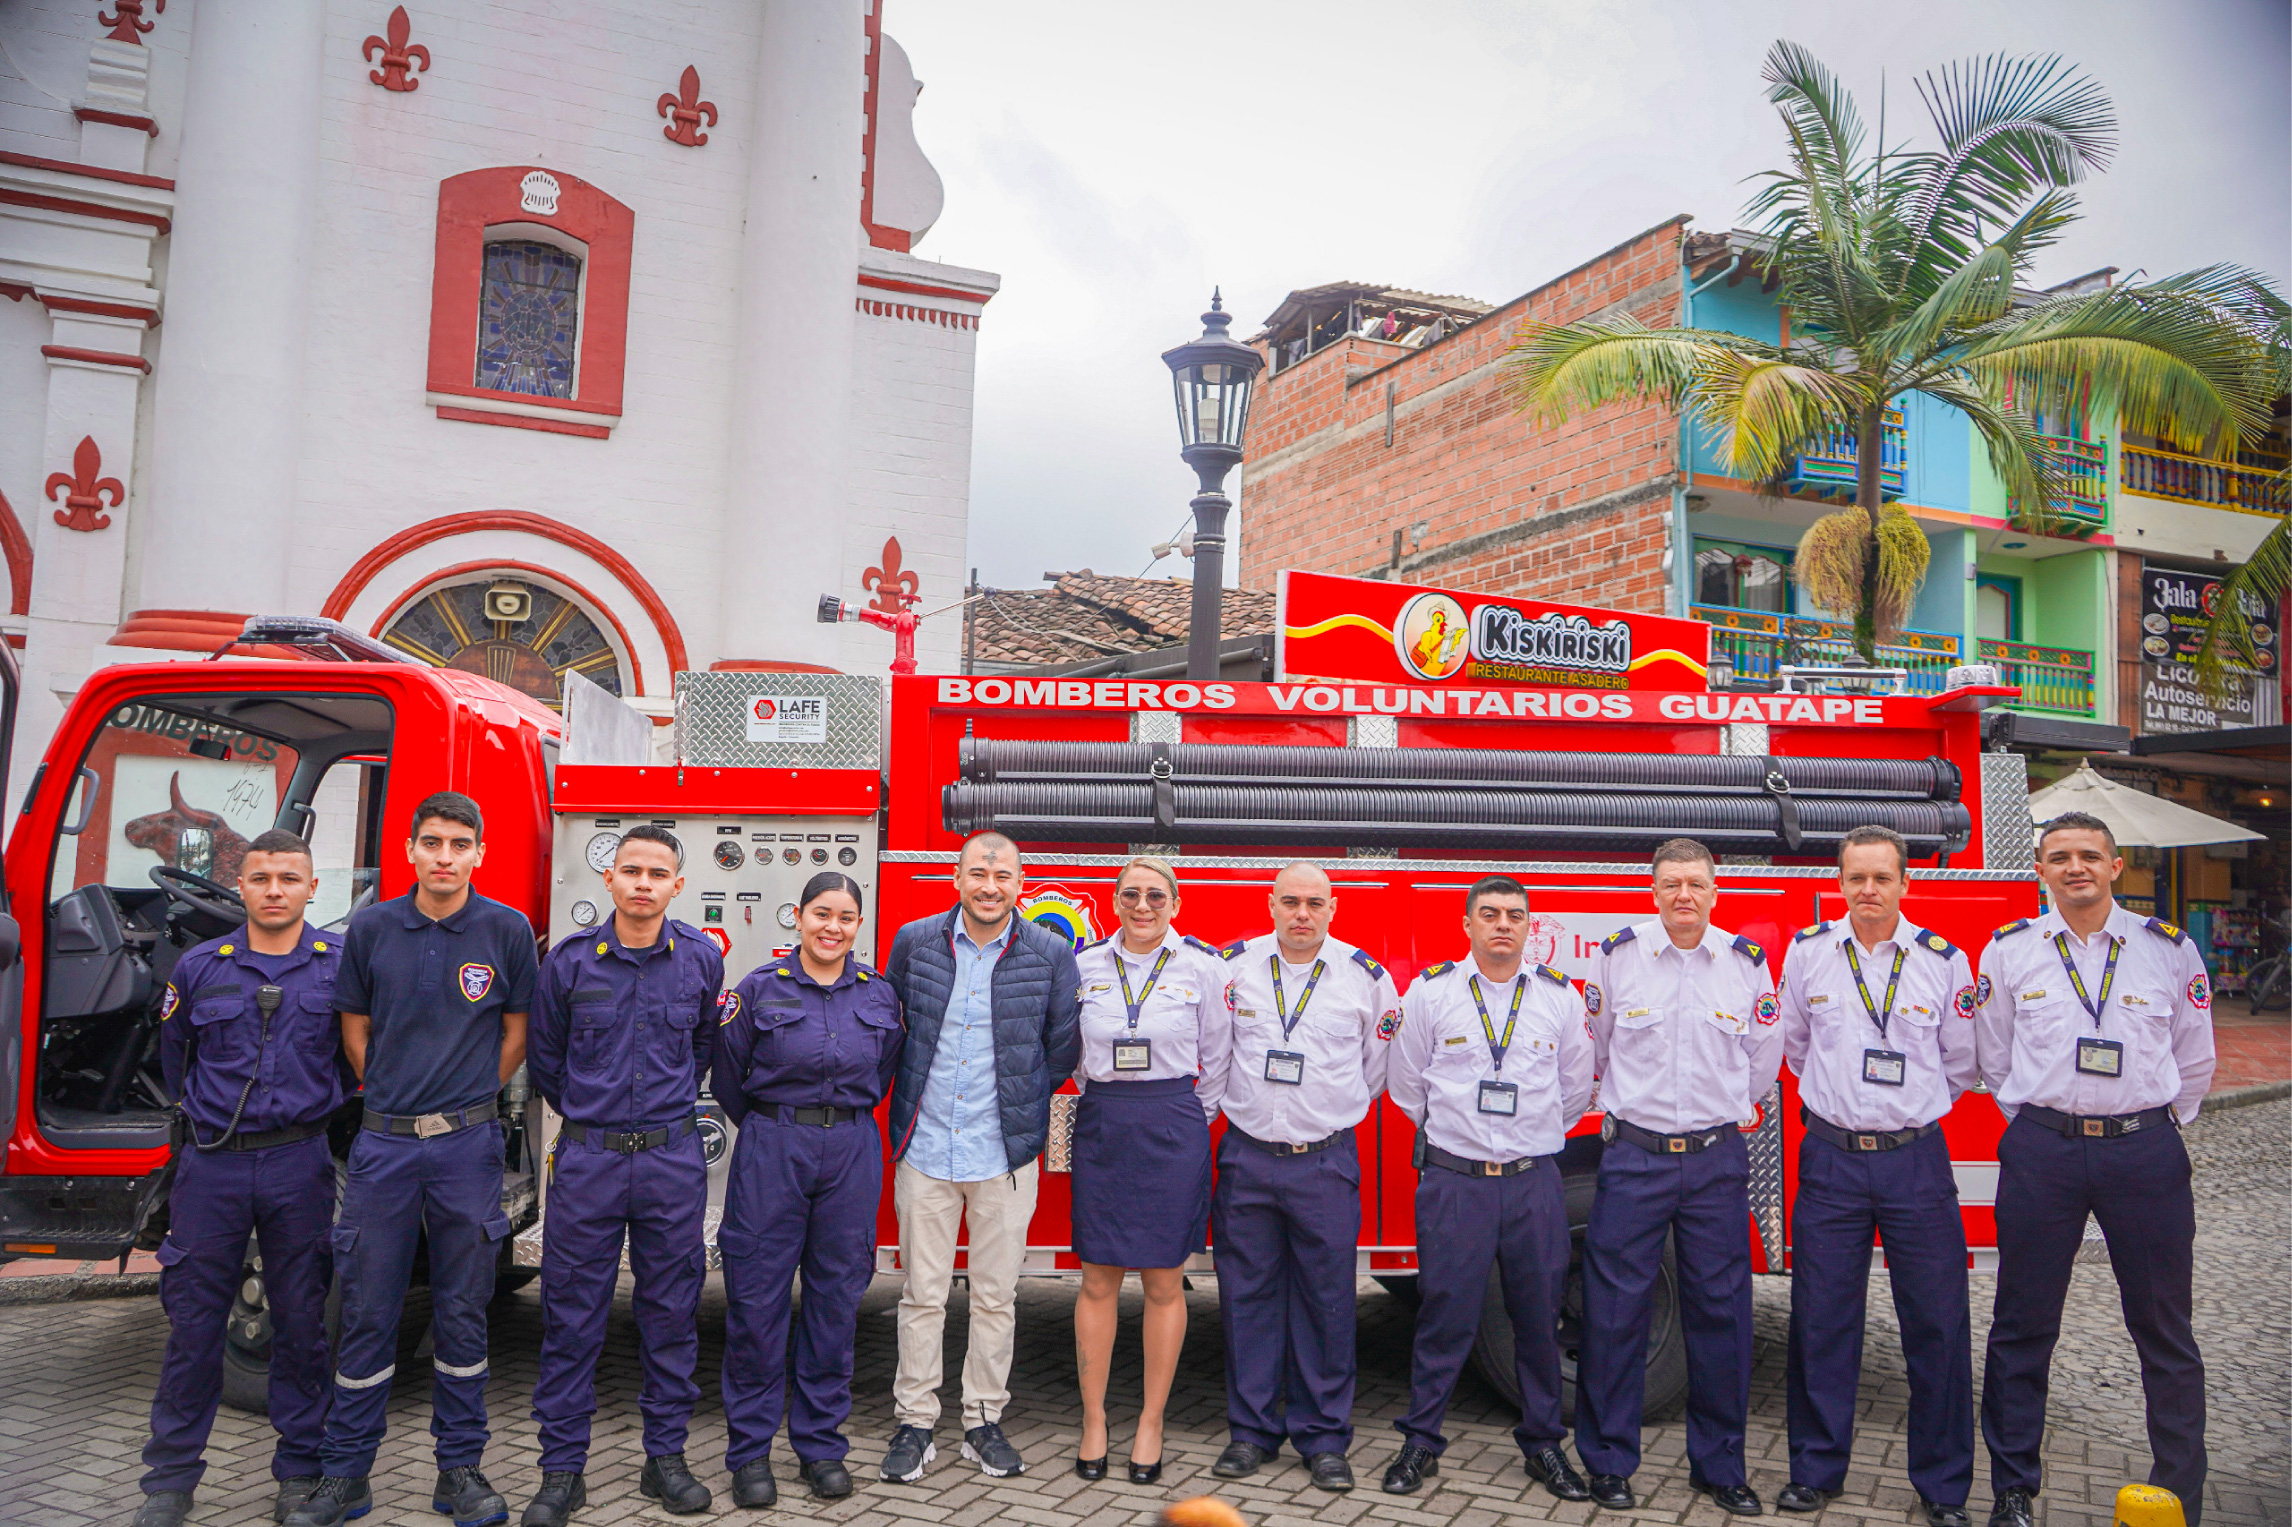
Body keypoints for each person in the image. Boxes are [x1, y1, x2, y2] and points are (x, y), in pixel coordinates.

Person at [289, 792, 538, 1527]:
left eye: (460, 843)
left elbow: (517, 1033)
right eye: (432, 841)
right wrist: (400, 1101)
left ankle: (459, 1471)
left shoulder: (506, 929)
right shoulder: (369, 929)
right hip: (384, 1145)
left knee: (463, 1309)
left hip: (468, 1147)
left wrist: (462, 1100)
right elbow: (354, 1030)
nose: (445, 855)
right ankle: (346, 1475)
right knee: (367, 1306)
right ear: (410, 849)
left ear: (479, 854)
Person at [1974, 811, 2213, 1527]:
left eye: (2088, 855)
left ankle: (2177, 1497)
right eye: (2059, 856)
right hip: (2043, 1149)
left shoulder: (2168, 950)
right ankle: (2014, 1489)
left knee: (2164, 1327)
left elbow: (2194, 1057)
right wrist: (2044, 1123)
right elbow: (1994, 1055)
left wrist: (2156, 1124)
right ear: (2040, 869)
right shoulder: (2009, 951)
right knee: (2021, 1323)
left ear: (2116, 865)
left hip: (2143, 1150)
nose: (2074, 866)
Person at [132, 831, 345, 1527]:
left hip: (299, 1161)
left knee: (302, 1323)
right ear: (242, 884)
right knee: (194, 1324)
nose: (275, 888)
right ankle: (169, 1479)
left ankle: (299, 1472)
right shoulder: (200, 967)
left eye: (289, 877)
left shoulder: (339, 968)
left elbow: (355, 1062)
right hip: (213, 1164)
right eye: (260, 877)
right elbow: (175, 1058)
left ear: (314, 888)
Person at [1773, 826, 1977, 1526]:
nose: (1868, 890)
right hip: (1829, 1157)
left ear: (1905, 883)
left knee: (1937, 1325)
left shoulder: (1943, 961)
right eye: (1855, 877)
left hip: (1914, 1157)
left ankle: (1944, 1486)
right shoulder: (1807, 955)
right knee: (1822, 1320)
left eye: (1881, 878)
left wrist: (1901, 1114)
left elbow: (1960, 1061)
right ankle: (1815, 1469)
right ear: (1839, 881)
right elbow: (1794, 1046)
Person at [520, 826, 722, 1525]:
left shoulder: (700, 960)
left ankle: (665, 1457)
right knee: (571, 1316)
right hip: (589, 1159)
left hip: (669, 1159)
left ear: (677, 884)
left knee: (670, 1315)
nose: (642, 882)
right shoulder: (570, 963)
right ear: (608, 880)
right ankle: (561, 1471)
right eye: (629, 869)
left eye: (656, 872)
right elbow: (546, 1063)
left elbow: (702, 1047)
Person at [1575, 837, 1781, 1516]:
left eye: (1695, 883)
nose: (1683, 895)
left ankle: (1719, 1466)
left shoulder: (1745, 964)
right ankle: (1608, 1461)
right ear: (1654, 890)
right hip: (1633, 1156)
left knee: (1721, 1314)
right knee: (1613, 1313)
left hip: (1716, 1159)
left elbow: (1761, 1061)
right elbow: (1597, 1048)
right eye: (1671, 884)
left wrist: (1712, 1119)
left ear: (1715, 890)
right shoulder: (1619, 957)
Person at [1379, 875, 1595, 1501]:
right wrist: (1460, 1141)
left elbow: (1575, 1088)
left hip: (1533, 1183)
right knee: (1444, 1315)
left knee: (1538, 1316)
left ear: (1531, 927)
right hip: (1456, 1182)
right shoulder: (1431, 994)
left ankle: (1545, 1445)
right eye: (1491, 914)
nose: (1504, 924)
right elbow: (1406, 1085)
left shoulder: (1559, 998)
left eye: (1516, 915)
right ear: (1467, 923)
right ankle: (1421, 1441)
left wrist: (1525, 1138)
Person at [879, 832, 1082, 1483]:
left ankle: (981, 1419)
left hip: (1005, 1156)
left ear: (1021, 882)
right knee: (921, 1295)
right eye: (977, 872)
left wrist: (1019, 1111)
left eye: (1002, 874)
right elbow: (892, 1024)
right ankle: (915, 1421)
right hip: (927, 1149)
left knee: (996, 1297)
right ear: (957, 877)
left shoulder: (1052, 954)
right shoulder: (914, 940)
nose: (989, 884)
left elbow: (1060, 1051)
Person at [712, 872, 904, 1506]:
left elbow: (886, 1067)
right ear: (798, 917)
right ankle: (749, 1455)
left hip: (850, 1149)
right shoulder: (758, 988)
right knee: (757, 1304)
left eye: (846, 917)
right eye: (822, 914)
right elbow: (729, 1075)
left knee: (835, 1303)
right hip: (774, 1145)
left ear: (858, 925)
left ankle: (820, 1447)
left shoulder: (879, 994)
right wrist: (776, 1128)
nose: (833, 927)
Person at [1208, 860, 1400, 1493]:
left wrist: (1325, 1115)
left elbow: (1374, 1070)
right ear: (1270, 904)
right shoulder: (1233, 969)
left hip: (1324, 1159)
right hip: (1249, 1157)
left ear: (1333, 908)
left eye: (1314, 903)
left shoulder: (1364, 979)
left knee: (1327, 1300)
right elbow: (1216, 1054)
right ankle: (1252, 1432)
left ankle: (1323, 1438)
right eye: (1290, 901)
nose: (1301, 914)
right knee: (1248, 1298)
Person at [1068, 857, 1231, 1486]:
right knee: (1098, 1279)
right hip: (1106, 1122)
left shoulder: (1203, 968)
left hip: (1172, 1124)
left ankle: (1151, 1422)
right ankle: (1093, 1420)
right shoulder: (1083, 967)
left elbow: (1217, 1060)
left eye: (1156, 895)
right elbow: (1075, 1057)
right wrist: (1106, 1097)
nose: (1143, 905)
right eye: (1131, 894)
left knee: (1165, 1282)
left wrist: (1184, 1114)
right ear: (1113, 900)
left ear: (1176, 903)